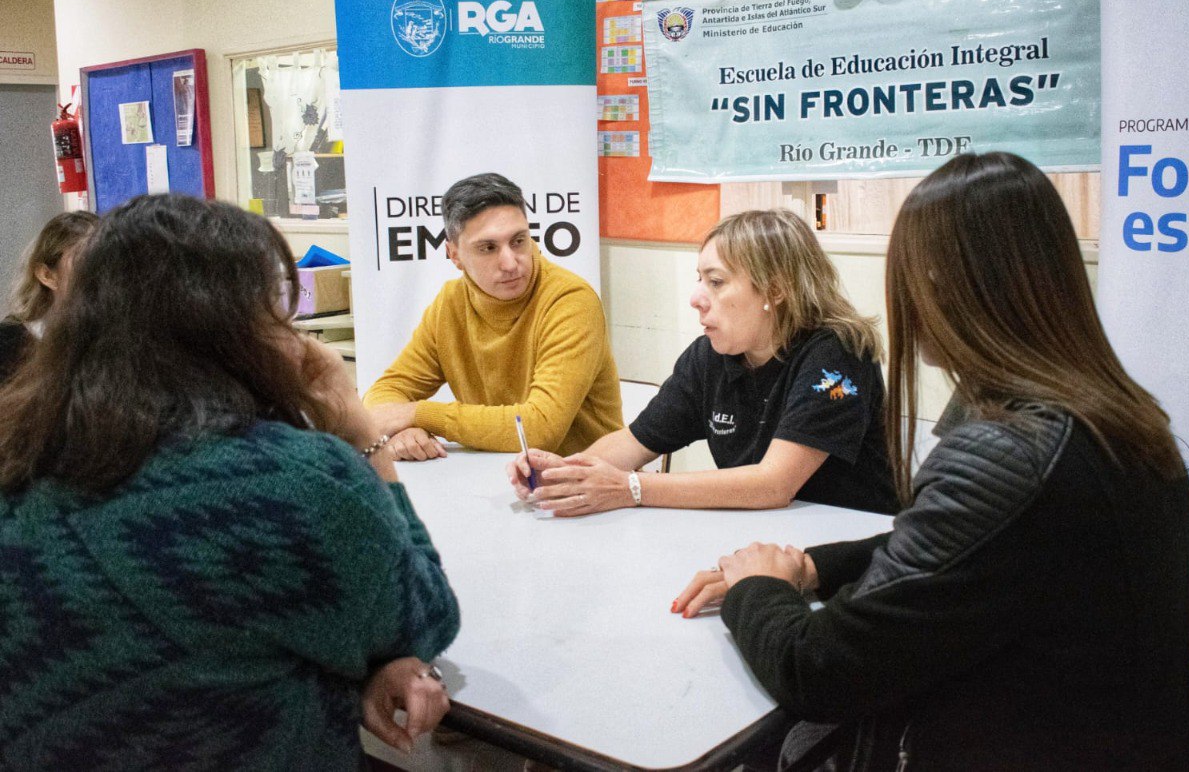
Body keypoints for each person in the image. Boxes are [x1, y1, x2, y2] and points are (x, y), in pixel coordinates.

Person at [673, 153, 1189, 771]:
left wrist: (757, 587)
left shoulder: (1002, 454)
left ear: (940, 281)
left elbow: (820, 670)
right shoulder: (1116, 416)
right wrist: (810, 566)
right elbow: (955, 555)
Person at [0, 194, 461, 769]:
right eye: (273, 304)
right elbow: (424, 615)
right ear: (232, 325)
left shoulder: (21, 456)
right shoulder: (291, 484)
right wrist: (357, 427)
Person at [510, 208, 897, 516]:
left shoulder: (838, 354)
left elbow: (774, 485)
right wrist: (560, 474)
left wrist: (631, 488)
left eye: (716, 281)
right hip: (761, 540)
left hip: (849, 553)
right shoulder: (709, 356)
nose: (696, 297)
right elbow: (634, 442)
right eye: (700, 279)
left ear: (776, 289)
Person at [364, 172, 623, 461]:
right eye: (488, 248)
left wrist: (417, 414)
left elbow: (538, 430)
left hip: (590, 484)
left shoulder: (570, 300)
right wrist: (402, 431)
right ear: (454, 255)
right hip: (496, 479)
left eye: (518, 241)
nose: (510, 262)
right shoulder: (450, 302)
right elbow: (385, 394)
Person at [0, 210, 97, 383]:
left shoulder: (111, 332)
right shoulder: (8, 343)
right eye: (83, 263)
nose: (99, 275)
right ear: (47, 276)